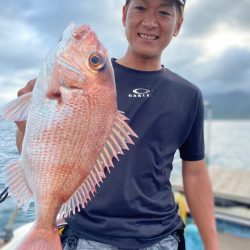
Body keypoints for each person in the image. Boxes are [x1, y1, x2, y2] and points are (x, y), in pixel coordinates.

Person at [16, 0, 219, 249]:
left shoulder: (188, 95)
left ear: (178, 25)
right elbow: (37, 153)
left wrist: (212, 244)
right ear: (124, 14)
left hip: (161, 237)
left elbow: (195, 171)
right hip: (87, 235)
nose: (150, 21)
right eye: (141, 8)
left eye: (164, 12)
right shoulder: (93, 84)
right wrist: (25, 125)